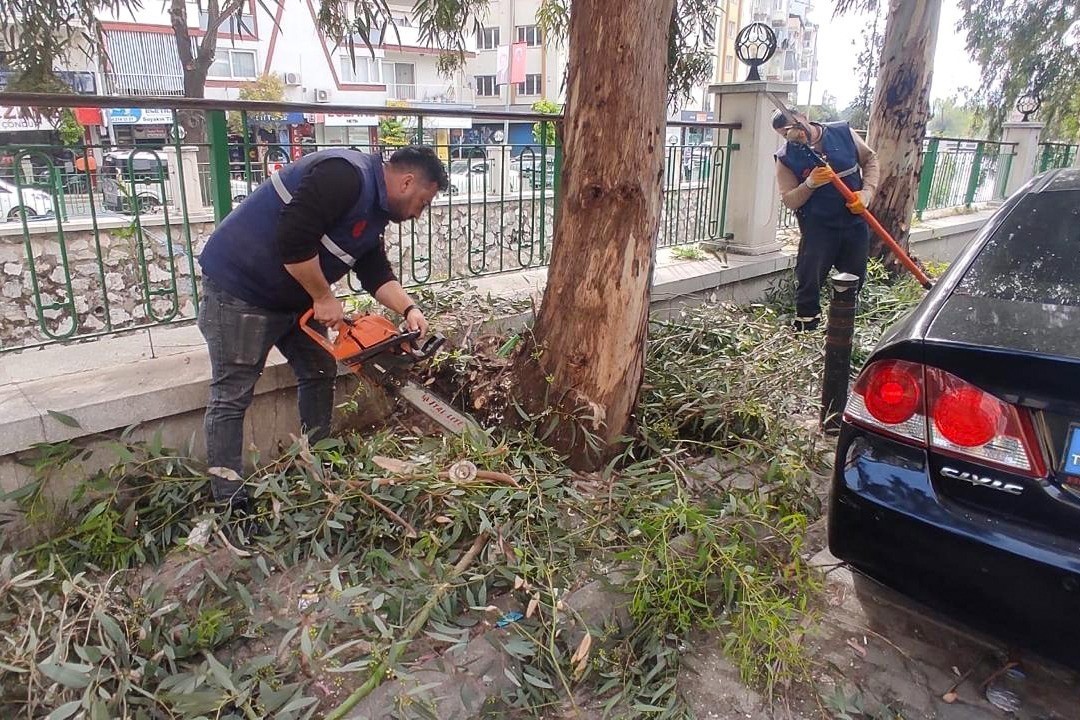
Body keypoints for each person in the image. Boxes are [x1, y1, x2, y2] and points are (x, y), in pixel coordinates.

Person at [197, 145, 449, 509]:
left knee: (318, 370)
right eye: (423, 203)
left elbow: (374, 271)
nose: (418, 214)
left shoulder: (374, 211)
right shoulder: (344, 175)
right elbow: (294, 238)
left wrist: (409, 308)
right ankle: (229, 502)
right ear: (407, 181)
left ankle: (317, 463)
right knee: (232, 394)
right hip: (241, 290)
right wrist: (322, 296)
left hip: (294, 298)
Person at [773, 110, 880, 331]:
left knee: (854, 278)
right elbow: (790, 200)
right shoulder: (785, 158)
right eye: (785, 134)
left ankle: (842, 329)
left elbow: (870, 159)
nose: (792, 134)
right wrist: (809, 184)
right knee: (809, 280)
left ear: (803, 116)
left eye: (793, 126)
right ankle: (807, 327)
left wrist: (867, 193)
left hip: (853, 222)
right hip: (818, 228)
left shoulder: (843, 133)